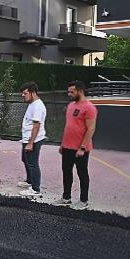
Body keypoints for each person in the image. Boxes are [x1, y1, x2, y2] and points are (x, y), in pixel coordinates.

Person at [53, 81, 97, 210]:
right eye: (68, 91)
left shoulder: (89, 107)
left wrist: (82, 147)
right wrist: (63, 144)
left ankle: (84, 201)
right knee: (66, 172)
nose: (69, 94)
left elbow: (91, 129)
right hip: (67, 147)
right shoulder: (71, 105)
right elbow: (69, 127)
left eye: (72, 92)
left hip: (81, 149)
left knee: (82, 174)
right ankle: (66, 198)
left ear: (80, 91)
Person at [17, 82, 47, 197]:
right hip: (27, 139)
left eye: (25, 93)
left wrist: (30, 143)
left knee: (33, 164)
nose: (23, 95)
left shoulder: (38, 106)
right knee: (25, 160)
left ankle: (35, 188)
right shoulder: (32, 103)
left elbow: (36, 125)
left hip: (34, 140)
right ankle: (29, 181)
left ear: (32, 92)